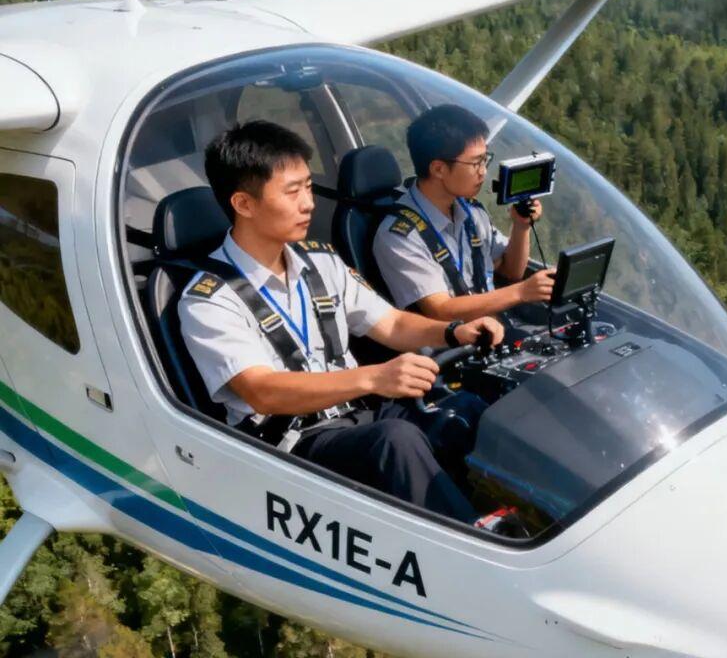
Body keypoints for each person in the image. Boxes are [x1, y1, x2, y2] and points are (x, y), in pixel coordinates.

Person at [178, 120, 505, 526]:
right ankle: (478, 542)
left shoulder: (321, 261)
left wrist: (452, 331)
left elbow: (391, 324)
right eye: (293, 192)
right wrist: (374, 378)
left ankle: (523, 517)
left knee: (466, 410)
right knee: (395, 441)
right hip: (296, 441)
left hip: (361, 414)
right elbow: (262, 391)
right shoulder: (210, 299)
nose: (308, 204)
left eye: (308, 187)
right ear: (244, 204)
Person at [373, 104, 555, 320]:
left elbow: (511, 271)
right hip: (455, 339)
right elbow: (440, 309)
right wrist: (521, 292)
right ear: (439, 169)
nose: (483, 172)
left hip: (494, 327)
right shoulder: (399, 236)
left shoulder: (472, 213)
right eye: (476, 162)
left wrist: (521, 226)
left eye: (485, 160)